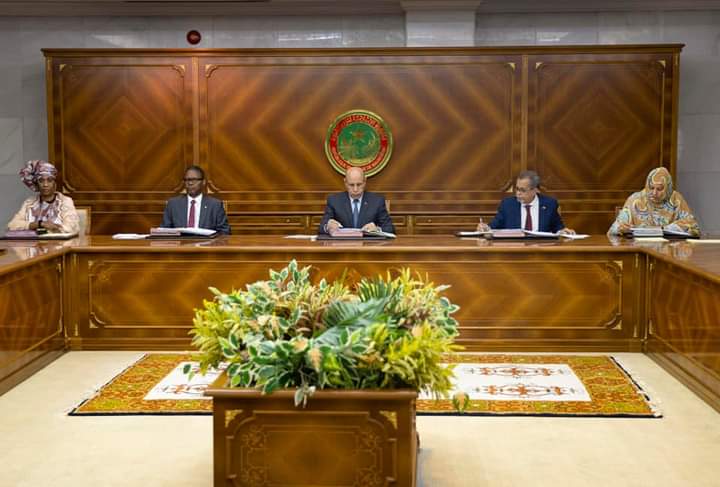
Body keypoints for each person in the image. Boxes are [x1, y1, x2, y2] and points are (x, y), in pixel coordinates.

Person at [607, 167, 700, 237]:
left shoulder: (676, 199)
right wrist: (621, 229)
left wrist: (666, 229)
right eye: (651, 188)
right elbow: (613, 229)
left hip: (669, 249)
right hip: (639, 248)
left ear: (668, 188)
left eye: (659, 189)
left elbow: (694, 227)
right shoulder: (635, 199)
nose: (654, 193)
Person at [477, 170, 575, 234]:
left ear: (534, 190)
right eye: (517, 189)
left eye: (522, 190)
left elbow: (558, 228)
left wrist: (564, 231)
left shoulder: (549, 204)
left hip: (542, 250)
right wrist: (485, 228)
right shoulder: (507, 204)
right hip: (514, 250)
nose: (518, 193)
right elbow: (493, 227)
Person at [7, 160, 79, 234]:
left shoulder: (65, 201)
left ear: (55, 183)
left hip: (58, 241)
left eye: (49, 180)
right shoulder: (29, 203)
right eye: (41, 180)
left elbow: (71, 227)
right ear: (37, 184)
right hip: (33, 241)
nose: (45, 184)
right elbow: (11, 225)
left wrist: (55, 228)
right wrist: (39, 224)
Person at [319, 166, 394, 234]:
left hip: (368, 243)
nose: (355, 189)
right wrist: (328, 227)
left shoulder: (377, 201)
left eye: (359, 184)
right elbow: (321, 228)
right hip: (343, 243)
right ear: (345, 182)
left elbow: (390, 229)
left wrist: (377, 229)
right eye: (351, 185)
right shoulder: (334, 201)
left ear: (365, 181)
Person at [162, 165, 231, 234]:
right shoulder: (173, 204)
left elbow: (225, 232)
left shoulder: (215, 205)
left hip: (206, 241)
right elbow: (164, 231)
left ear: (203, 182)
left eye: (194, 180)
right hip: (180, 240)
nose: (190, 183)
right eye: (187, 180)